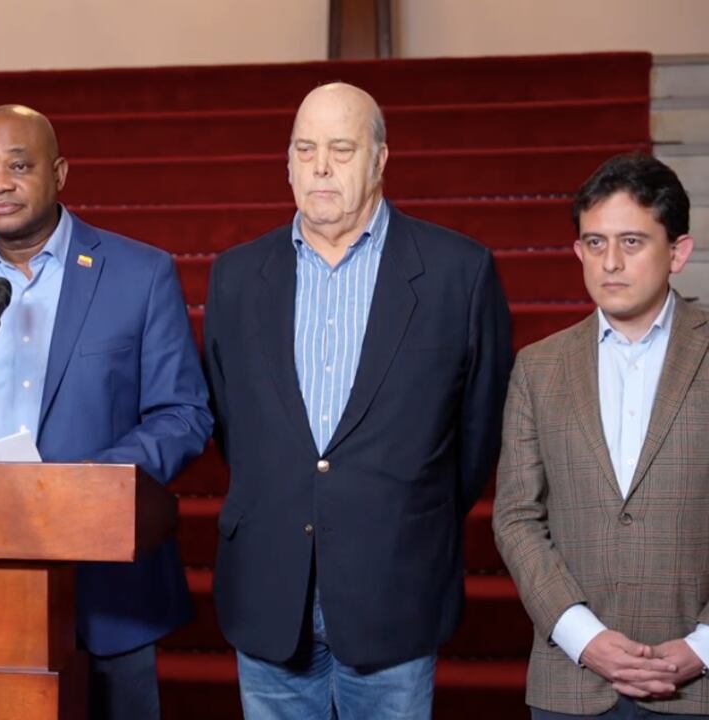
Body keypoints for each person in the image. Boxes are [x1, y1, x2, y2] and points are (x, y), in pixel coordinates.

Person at [0, 104, 212, 719]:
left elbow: (182, 414)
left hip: (108, 587)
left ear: (59, 171)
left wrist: (85, 486)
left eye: (18, 165)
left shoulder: (139, 274)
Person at [203, 82, 513, 719]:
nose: (320, 166)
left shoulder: (460, 272)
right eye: (305, 148)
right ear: (287, 162)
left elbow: (477, 435)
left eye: (341, 149)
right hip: (269, 588)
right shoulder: (234, 276)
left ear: (379, 160)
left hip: (394, 586)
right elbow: (235, 425)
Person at [494, 152, 709, 719]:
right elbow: (516, 517)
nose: (610, 262)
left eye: (632, 242)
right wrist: (582, 634)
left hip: (698, 685)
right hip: (573, 683)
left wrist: (702, 646)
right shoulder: (538, 367)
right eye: (595, 243)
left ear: (678, 253)